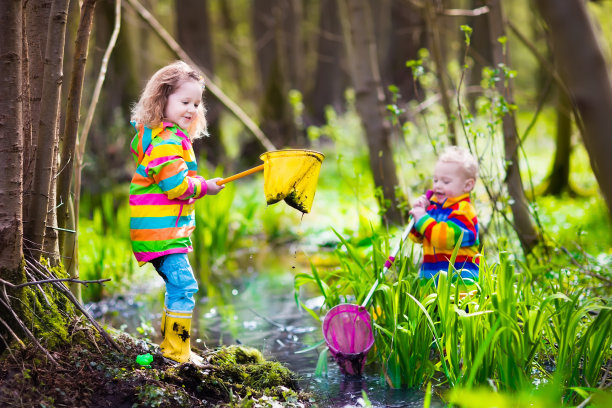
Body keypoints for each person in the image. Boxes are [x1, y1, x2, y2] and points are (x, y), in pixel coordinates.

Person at [129, 61, 225, 363]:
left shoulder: (171, 140)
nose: (192, 109)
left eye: (196, 103)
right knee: (185, 286)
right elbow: (176, 186)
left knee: (179, 287)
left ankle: (175, 349)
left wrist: (198, 183)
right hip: (160, 234)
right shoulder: (166, 143)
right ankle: (176, 353)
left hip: (165, 232)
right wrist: (204, 187)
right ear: (162, 101)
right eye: (184, 101)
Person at [409, 146, 480, 285]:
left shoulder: (465, 212)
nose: (438, 186)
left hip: (460, 286)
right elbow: (416, 237)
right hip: (432, 282)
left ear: (467, 186)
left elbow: (443, 238)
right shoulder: (433, 208)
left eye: (446, 182)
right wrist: (416, 216)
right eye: (435, 180)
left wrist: (423, 218)